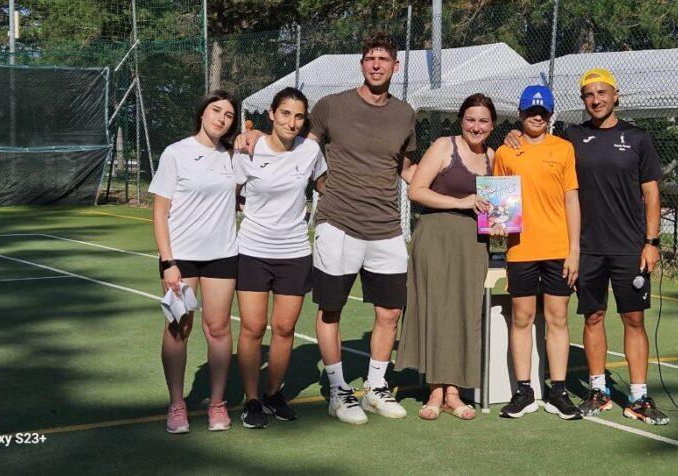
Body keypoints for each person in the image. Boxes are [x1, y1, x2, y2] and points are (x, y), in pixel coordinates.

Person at [235, 33, 417, 425]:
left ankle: (376, 388)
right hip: (338, 224)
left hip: (387, 227)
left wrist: (457, 184)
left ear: (396, 66)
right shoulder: (332, 106)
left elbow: (407, 167)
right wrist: (255, 135)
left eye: (384, 59)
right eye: (370, 58)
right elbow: (298, 143)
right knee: (331, 309)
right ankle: (338, 391)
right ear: (362, 63)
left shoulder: (405, 114)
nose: (377, 65)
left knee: (390, 311)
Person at [504, 69, 669, 425]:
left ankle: (639, 396)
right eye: (589, 95)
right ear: (583, 101)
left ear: (615, 95)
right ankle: (598, 391)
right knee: (592, 317)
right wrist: (513, 133)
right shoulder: (572, 138)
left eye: (602, 92)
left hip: (629, 246)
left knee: (634, 319)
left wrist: (651, 242)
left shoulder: (637, 138)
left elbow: (652, 193)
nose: (596, 100)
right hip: (587, 247)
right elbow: (535, 140)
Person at [395, 94, 496, 421]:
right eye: (470, 119)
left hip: (473, 243)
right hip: (435, 237)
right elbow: (416, 190)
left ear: (492, 125)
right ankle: (435, 391)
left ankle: (454, 392)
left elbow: (497, 206)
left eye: (483, 121)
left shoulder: (493, 157)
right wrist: (461, 202)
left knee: (464, 312)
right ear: (461, 121)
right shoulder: (443, 146)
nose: (476, 127)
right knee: (436, 309)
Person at [234, 88, 326, 429]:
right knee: (253, 328)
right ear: (271, 114)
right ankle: (251, 400)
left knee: (285, 328)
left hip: (295, 253)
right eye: (285, 114)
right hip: (252, 251)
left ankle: (273, 394)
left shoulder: (311, 150)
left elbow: (325, 185)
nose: (292, 122)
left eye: (299, 116)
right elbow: (229, 192)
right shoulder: (248, 149)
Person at [149, 90, 240, 434]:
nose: (221, 118)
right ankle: (177, 404)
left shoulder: (233, 156)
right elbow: (160, 213)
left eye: (228, 115)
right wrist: (168, 261)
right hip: (181, 258)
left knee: (218, 329)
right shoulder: (176, 153)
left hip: (223, 256)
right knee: (179, 328)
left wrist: (253, 134)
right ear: (202, 113)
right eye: (216, 110)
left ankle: (217, 403)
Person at [493, 84, 583, 421]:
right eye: (530, 111)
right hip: (521, 249)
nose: (536, 116)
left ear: (550, 115)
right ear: (520, 114)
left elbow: (571, 199)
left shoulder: (564, 149)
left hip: (558, 248)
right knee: (522, 318)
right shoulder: (505, 152)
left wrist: (574, 250)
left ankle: (558, 391)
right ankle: (524, 391)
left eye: (542, 112)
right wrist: (498, 227)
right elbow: (499, 203)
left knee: (557, 318)